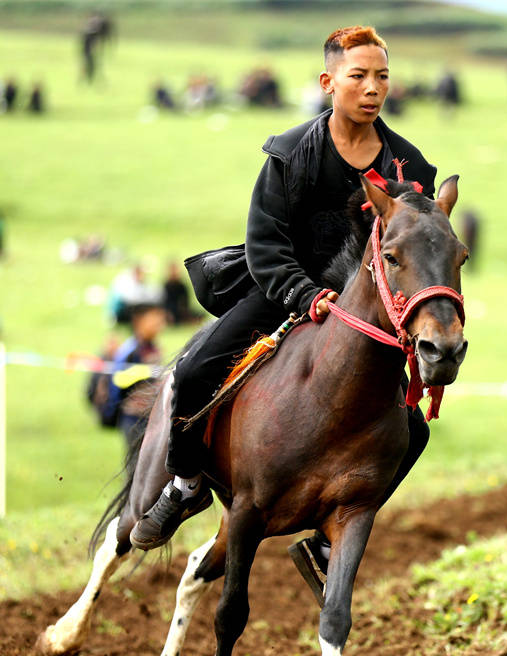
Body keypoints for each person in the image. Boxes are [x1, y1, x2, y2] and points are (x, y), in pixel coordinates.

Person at [132, 25, 439, 604]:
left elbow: (419, 251)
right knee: (196, 369)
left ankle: (327, 544)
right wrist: (305, 296)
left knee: (412, 428)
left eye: (382, 77)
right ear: (328, 83)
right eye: (358, 76)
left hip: (369, 319)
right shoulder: (289, 152)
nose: (372, 88)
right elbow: (264, 245)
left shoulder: (409, 166)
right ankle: (184, 482)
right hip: (281, 291)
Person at [102, 304, 166, 444]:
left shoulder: (153, 347)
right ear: (138, 321)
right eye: (153, 320)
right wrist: (143, 372)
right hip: (133, 419)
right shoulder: (130, 350)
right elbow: (117, 380)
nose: (159, 324)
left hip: (152, 417)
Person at [162, 260, 196, 325]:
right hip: (170, 311)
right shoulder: (166, 285)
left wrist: (184, 311)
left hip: (181, 310)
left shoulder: (182, 285)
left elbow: (186, 301)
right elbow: (164, 302)